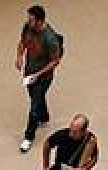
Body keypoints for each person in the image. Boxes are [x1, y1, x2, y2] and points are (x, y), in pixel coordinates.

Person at [16, 5, 64, 152]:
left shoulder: (50, 39)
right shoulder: (27, 28)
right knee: (36, 98)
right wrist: (19, 57)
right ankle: (44, 116)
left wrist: (38, 74)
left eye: (31, 20)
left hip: (43, 77)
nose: (28, 22)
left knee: (34, 105)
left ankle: (28, 137)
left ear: (39, 21)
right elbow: (22, 43)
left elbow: (55, 61)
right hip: (29, 72)